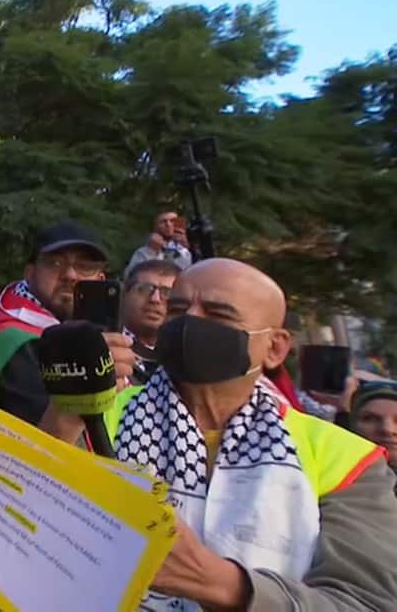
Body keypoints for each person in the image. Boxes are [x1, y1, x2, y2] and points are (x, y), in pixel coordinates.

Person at [46, 259, 397, 610]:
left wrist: (218, 584)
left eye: (218, 314)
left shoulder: (345, 458)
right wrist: (64, 416)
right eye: (179, 309)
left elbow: (365, 602)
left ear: (274, 348)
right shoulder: (96, 418)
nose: (189, 323)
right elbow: (27, 540)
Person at [0, 221, 135, 426]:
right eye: (55, 263)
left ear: (100, 280)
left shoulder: (113, 340)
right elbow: (41, 445)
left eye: (84, 267)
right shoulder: (13, 342)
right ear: (30, 274)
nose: (70, 275)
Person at [121, 259, 179, 384]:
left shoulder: (186, 361)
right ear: (125, 294)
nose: (155, 299)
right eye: (145, 289)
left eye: (167, 293)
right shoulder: (102, 346)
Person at [123, 211, 193, 277]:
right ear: (155, 227)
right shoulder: (144, 251)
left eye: (172, 221)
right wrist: (151, 251)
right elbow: (129, 276)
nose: (168, 224)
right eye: (163, 222)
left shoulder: (185, 251)